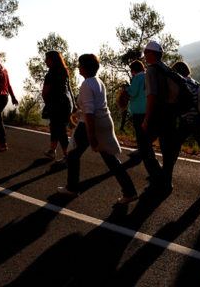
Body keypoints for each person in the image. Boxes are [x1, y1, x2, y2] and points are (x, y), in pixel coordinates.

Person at [56, 54, 138, 205]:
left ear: (85, 67)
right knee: (110, 159)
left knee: (73, 154)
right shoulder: (98, 81)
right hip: (103, 120)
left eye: (80, 64)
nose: (78, 67)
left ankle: (72, 188)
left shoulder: (87, 84)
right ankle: (130, 191)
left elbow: (90, 111)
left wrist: (91, 136)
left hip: (91, 123)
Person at [142, 41, 179, 194]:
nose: (144, 56)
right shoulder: (166, 68)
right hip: (170, 114)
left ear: (151, 53)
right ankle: (167, 182)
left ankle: (158, 177)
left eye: (145, 53)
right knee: (167, 150)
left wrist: (146, 118)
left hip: (157, 114)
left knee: (144, 145)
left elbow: (151, 96)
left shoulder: (151, 70)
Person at [42, 51, 74, 162]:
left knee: (60, 130)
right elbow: (69, 90)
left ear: (52, 60)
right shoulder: (64, 72)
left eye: (47, 59)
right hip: (66, 103)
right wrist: (73, 105)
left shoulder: (50, 74)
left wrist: (48, 104)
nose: (45, 61)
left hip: (56, 104)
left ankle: (68, 155)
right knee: (56, 127)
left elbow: (45, 92)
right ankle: (52, 150)